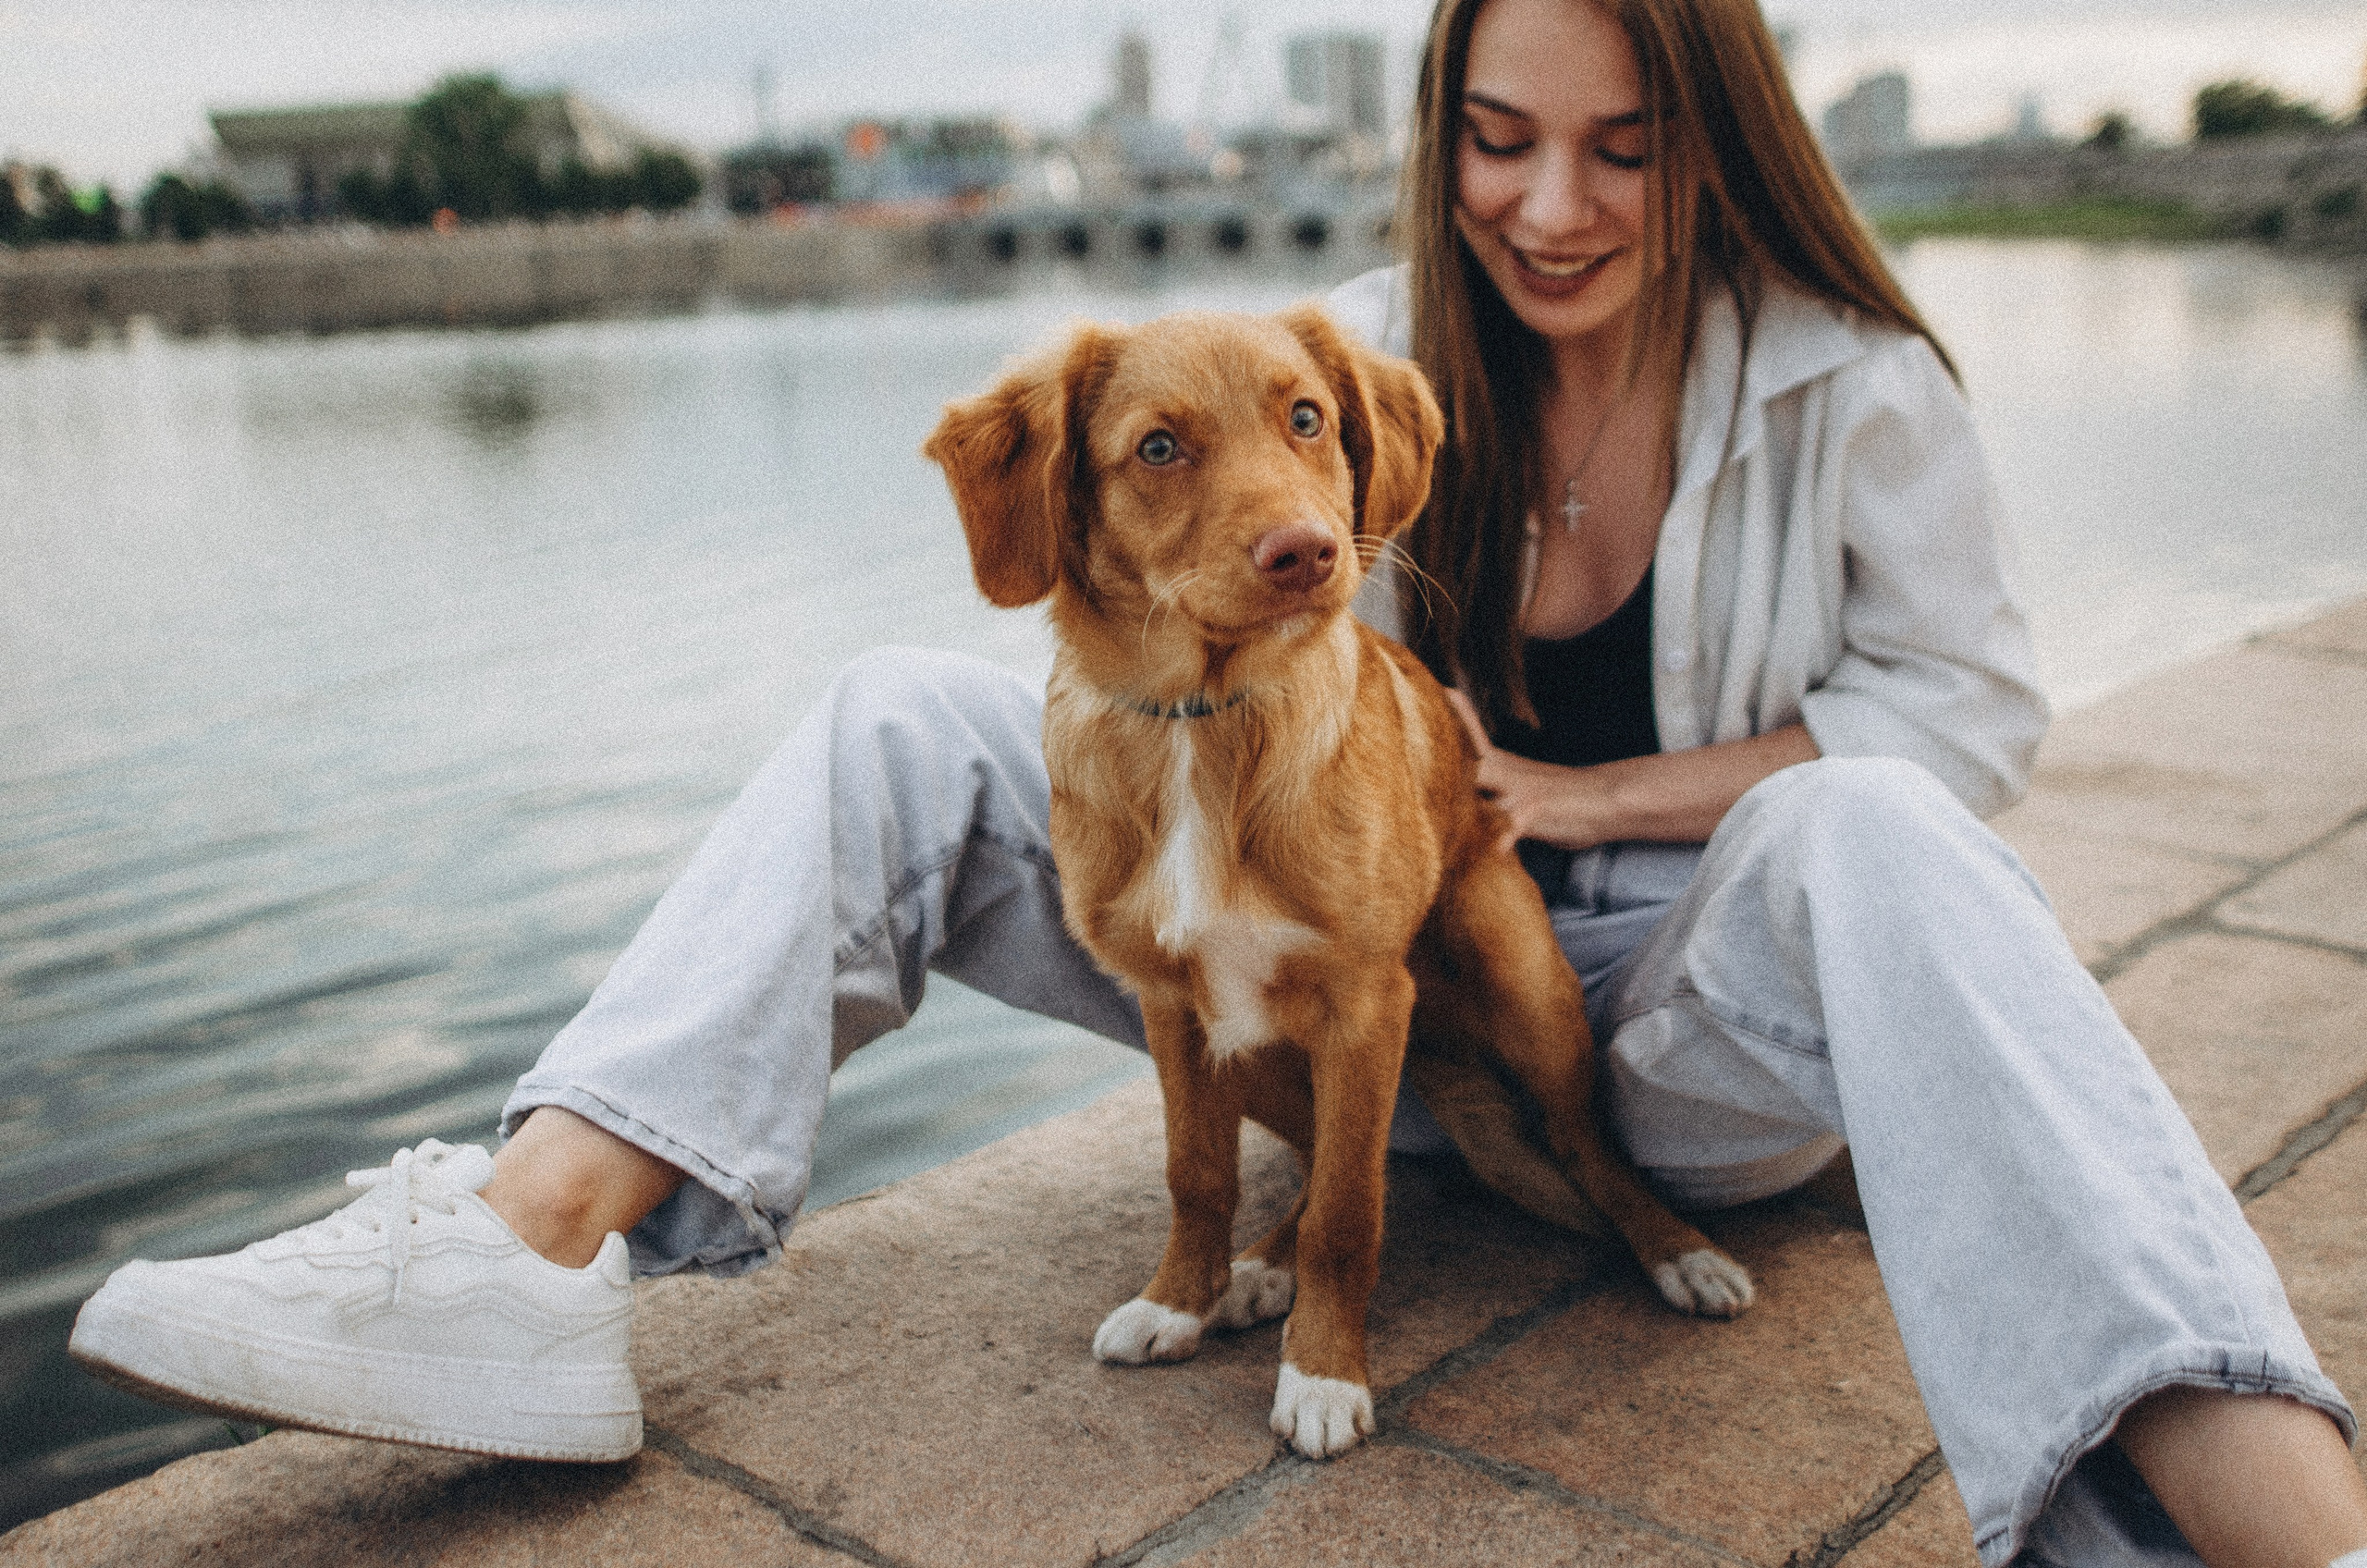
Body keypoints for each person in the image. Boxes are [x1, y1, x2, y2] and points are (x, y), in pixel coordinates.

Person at [70, 0, 2367, 1562]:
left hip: (1676, 1021)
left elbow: (1966, 724)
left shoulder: (1854, 386)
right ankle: (522, 1245)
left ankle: (2233, 1483)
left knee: (1867, 820)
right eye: (1494, 138)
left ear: (1717, 140)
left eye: (1617, 146)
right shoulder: (1348, 350)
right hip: (1318, 954)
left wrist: (1587, 802)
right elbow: (1142, 536)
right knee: (894, 715)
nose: (1545, 204)